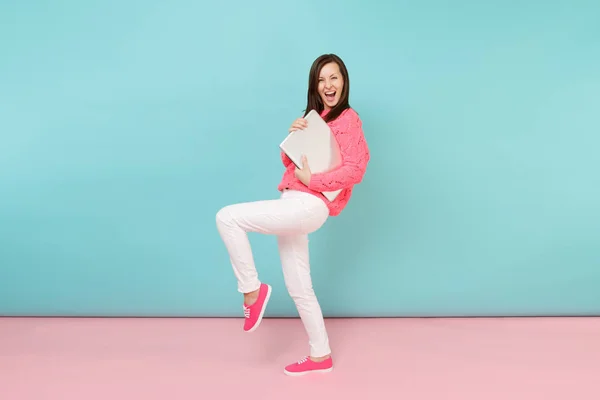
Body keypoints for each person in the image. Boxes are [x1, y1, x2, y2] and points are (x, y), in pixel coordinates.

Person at [215, 53, 370, 376]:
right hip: (292, 202)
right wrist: (293, 137)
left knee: (227, 217)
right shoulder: (316, 117)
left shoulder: (348, 119)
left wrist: (313, 181)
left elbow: (355, 170)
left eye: (334, 77)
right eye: (321, 79)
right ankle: (320, 355)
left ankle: (252, 292)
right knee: (300, 286)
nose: (328, 85)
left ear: (344, 81)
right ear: (315, 86)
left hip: (307, 204)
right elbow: (291, 166)